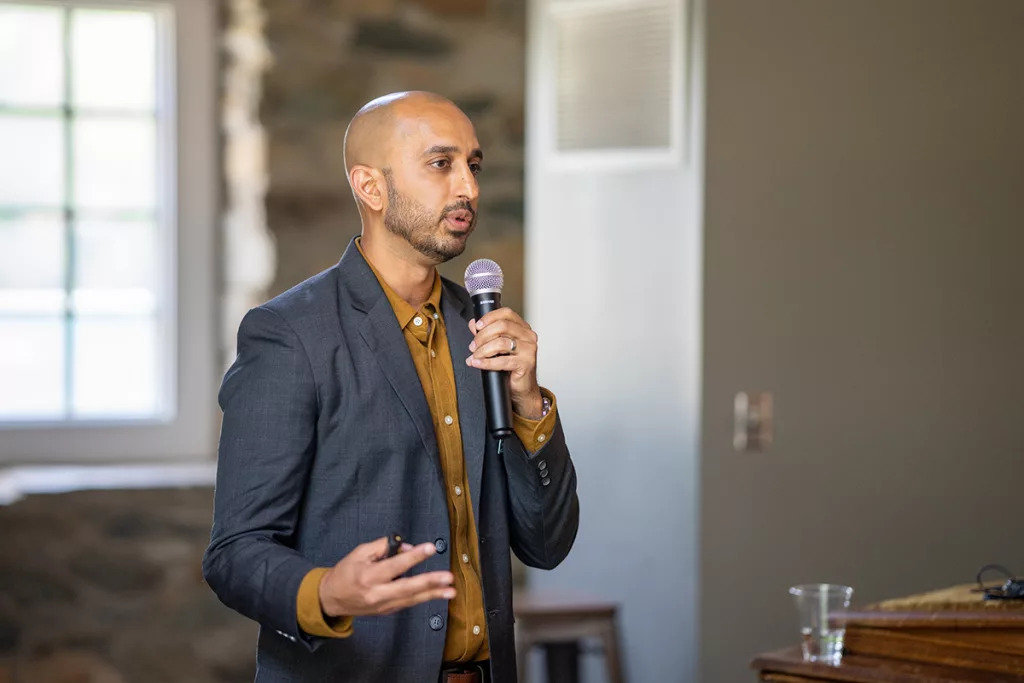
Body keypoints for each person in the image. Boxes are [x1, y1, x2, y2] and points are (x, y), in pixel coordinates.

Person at [202, 91, 580, 683]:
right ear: (370, 188)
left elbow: (547, 543)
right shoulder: (289, 335)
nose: (469, 189)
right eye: (441, 163)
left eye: (473, 166)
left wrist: (529, 404)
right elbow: (234, 553)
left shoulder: (480, 329)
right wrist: (323, 591)